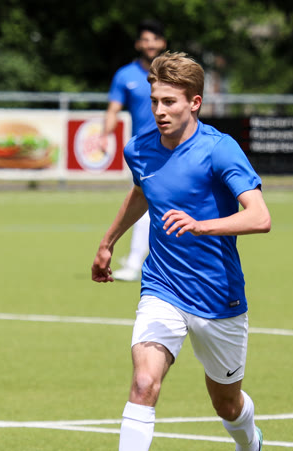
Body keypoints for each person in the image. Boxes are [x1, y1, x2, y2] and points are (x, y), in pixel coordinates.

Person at [90, 51, 271, 451]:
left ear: (194, 102)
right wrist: (108, 241)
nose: (159, 110)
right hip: (162, 288)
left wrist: (201, 225)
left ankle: (249, 446)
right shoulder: (141, 147)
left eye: (169, 102)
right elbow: (143, 191)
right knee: (143, 383)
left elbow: (259, 217)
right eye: (154, 101)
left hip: (219, 298)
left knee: (226, 403)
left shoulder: (219, 149)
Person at [100, 19, 167, 282]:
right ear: (139, 44)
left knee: (152, 203)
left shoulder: (171, 72)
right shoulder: (125, 75)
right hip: (144, 151)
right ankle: (137, 259)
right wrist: (105, 135)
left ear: (163, 43)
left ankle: (136, 260)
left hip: (173, 147)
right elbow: (113, 110)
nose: (150, 44)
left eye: (155, 39)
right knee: (144, 201)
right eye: (145, 40)